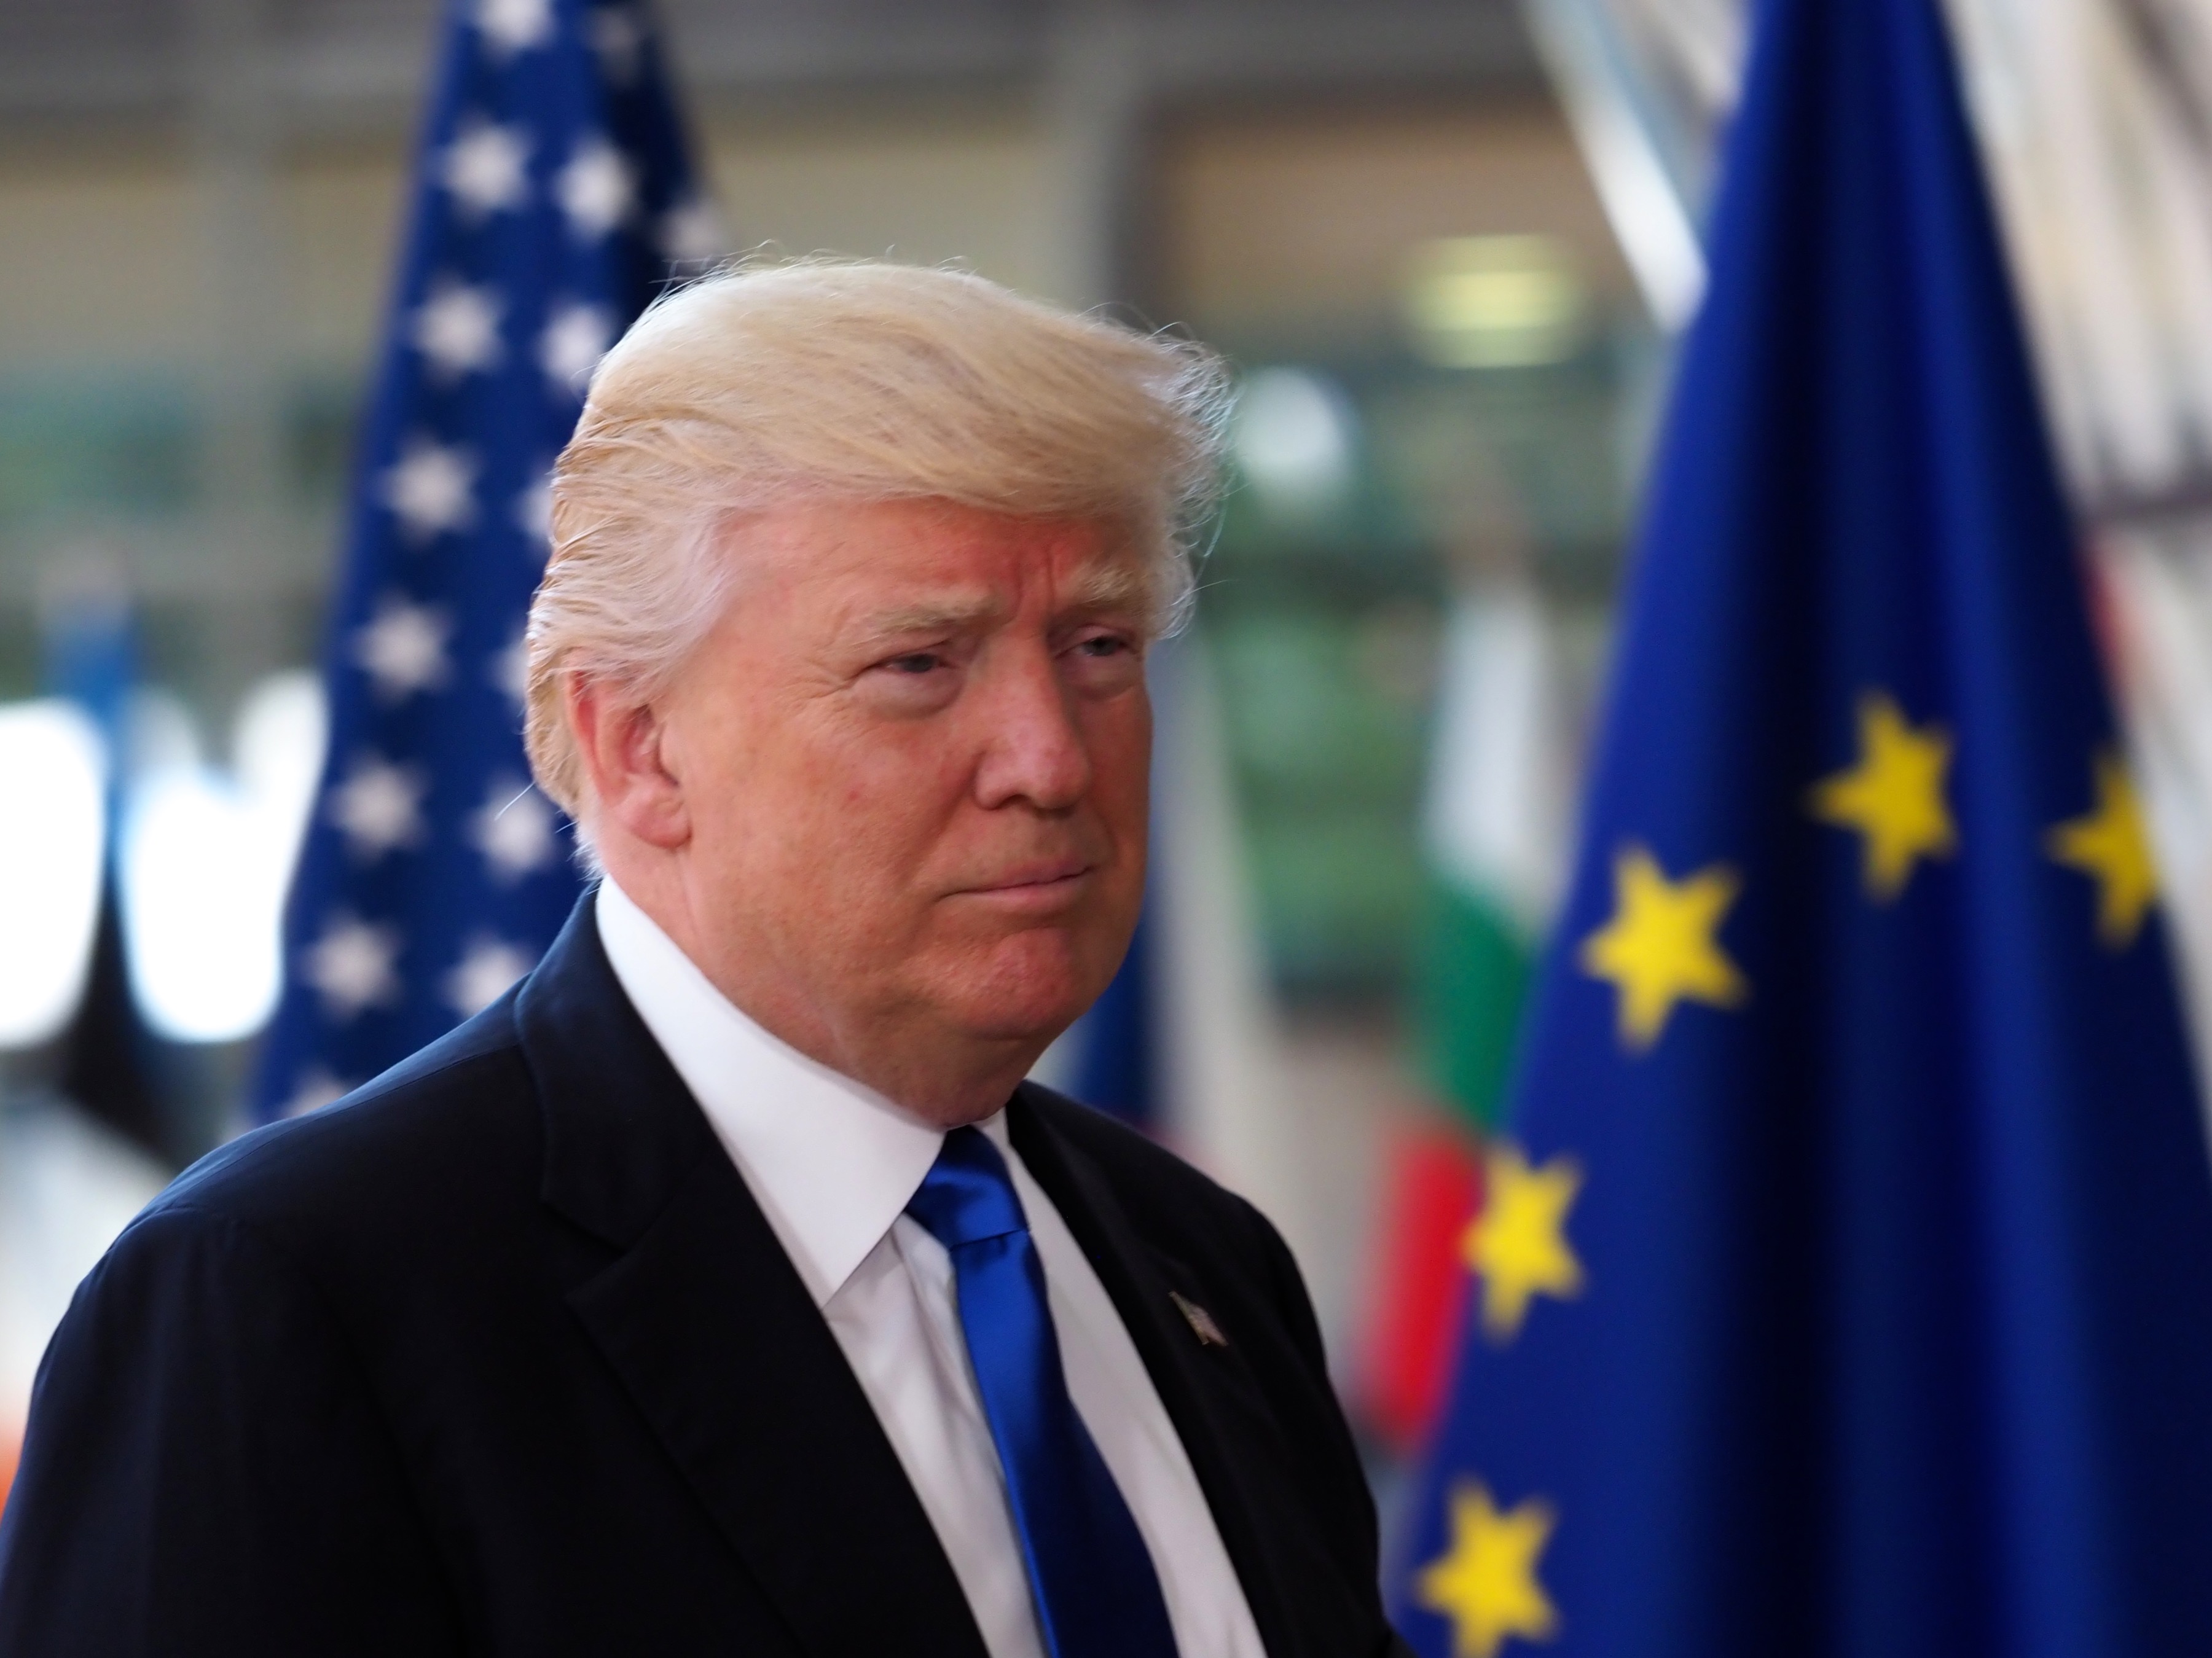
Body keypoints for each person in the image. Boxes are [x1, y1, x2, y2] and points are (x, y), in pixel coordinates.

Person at [0, 262, 1406, 1657]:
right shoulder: (290, 1299)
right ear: (640, 748)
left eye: (1099, 646)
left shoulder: (1200, 1258)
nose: (1049, 757)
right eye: (921, 663)